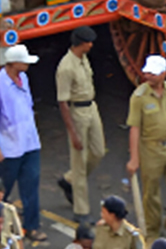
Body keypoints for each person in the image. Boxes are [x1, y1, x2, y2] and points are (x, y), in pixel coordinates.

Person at [126, 53, 166, 241]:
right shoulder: (139, 96)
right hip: (150, 148)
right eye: (147, 73)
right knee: (151, 193)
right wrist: (134, 158)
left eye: (153, 73)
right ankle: (153, 231)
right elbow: (135, 128)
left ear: (164, 73)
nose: (149, 76)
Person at [0, 44, 43, 244]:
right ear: (13, 63)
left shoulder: (24, 79)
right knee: (3, 188)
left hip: (30, 141)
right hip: (9, 145)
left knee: (31, 185)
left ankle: (32, 226)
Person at [57, 26, 106, 225]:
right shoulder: (66, 67)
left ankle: (69, 180)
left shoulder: (83, 59)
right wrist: (73, 133)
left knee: (98, 151)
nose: (91, 45)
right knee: (79, 160)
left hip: (91, 107)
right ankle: (81, 210)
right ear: (80, 43)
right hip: (77, 111)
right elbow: (63, 102)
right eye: (88, 42)